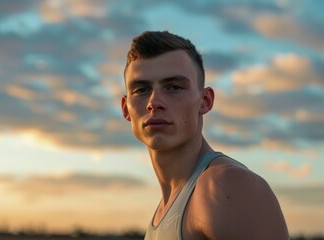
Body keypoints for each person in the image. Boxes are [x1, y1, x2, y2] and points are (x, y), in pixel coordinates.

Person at [121, 31, 289, 240]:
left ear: (205, 100)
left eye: (174, 87)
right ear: (126, 109)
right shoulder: (168, 206)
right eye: (141, 89)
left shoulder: (226, 185)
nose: (154, 102)